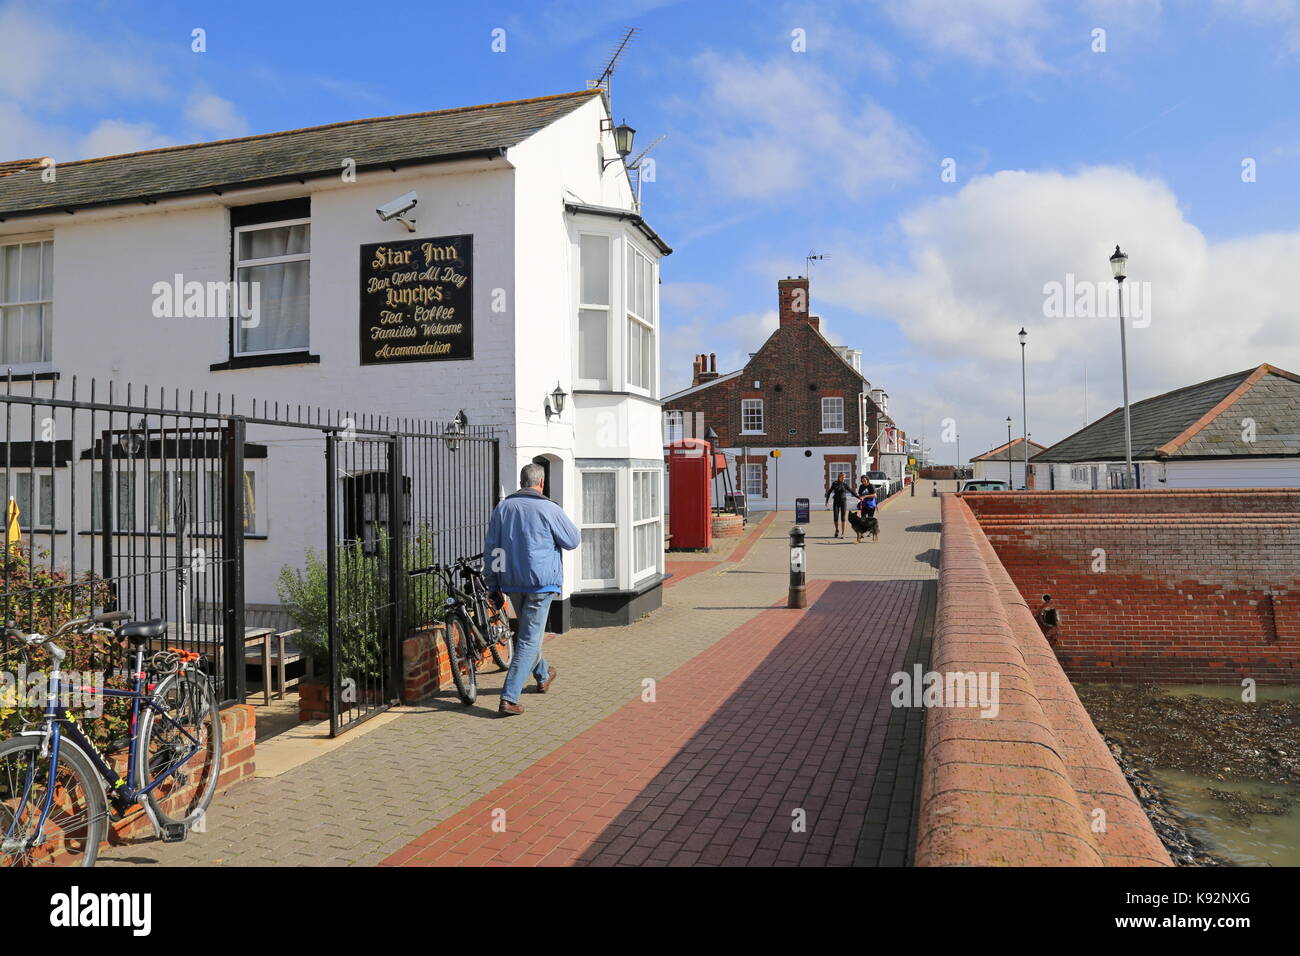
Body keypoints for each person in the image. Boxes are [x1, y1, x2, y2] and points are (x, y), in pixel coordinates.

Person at [482, 462, 580, 716]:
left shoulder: (503, 507)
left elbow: (492, 549)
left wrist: (492, 584)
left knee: (528, 635)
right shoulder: (549, 508)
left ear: (522, 481)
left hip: (512, 582)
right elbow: (572, 540)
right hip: (541, 584)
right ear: (542, 483)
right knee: (528, 639)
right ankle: (509, 697)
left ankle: (543, 674)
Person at [825, 472, 853, 538]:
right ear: (839, 477)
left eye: (844, 477)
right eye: (842, 477)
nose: (843, 479)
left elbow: (851, 491)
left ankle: (843, 534)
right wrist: (827, 501)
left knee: (843, 518)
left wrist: (859, 497)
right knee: (835, 518)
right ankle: (837, 530)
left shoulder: (845, 484)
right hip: (836, 502)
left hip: (843, 501)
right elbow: (829, 492)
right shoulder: (835, 484)